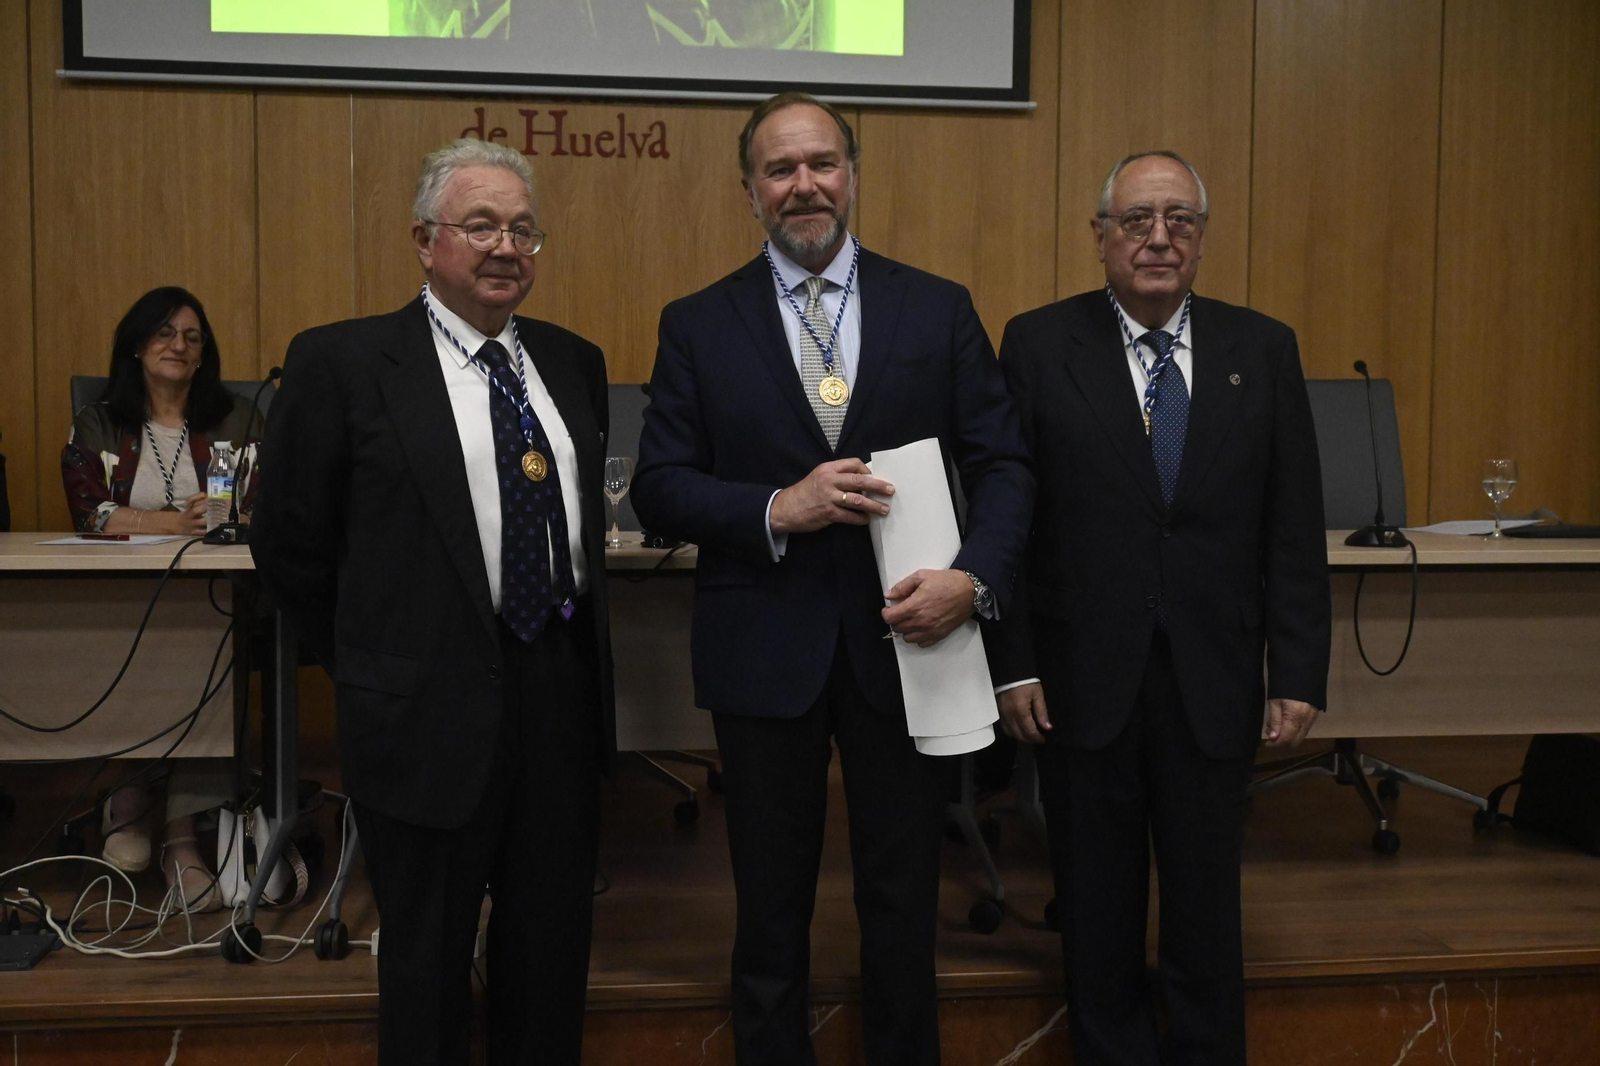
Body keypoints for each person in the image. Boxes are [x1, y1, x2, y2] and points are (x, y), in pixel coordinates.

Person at [632, 92, 1033, 1065]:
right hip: (764, 644)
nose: (802, 184)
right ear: (748, 192)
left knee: (903, 894)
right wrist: (779, 507)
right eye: (779, 169)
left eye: (820, 163)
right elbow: (659, 488)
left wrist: (972, 580)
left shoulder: (935, 309)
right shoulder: (697, 323)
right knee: (769, 900)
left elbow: (1005, 467)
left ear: (851, 174)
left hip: (913, 640)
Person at [250, 138, 613, 1066]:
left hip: (558, 702)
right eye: (481, 225)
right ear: (424, 238)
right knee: (425, 969)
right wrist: (372, 658)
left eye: (524, 230)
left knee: (550, 958)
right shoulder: (342, 363)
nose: (506, 247)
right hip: (422, 713)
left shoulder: (574, 363)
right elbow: (290, 539)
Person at [989, 151, 1332, 1065]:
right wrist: (1012, 659)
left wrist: (1297, 669)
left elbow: (1293, 526)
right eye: (1137, 220)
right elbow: (1007, 519)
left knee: (1206, 909)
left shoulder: (1263, 349)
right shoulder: (1036, 343)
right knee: (1096, 913)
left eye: (1180, 220)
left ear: (1203, 240)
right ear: (1099, 237)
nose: (1158, 238)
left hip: (1213, 681)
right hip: (1078, 681)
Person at [61, 286, 261, 912]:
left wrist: (231, 515)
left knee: (207, 648)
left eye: (192, 336)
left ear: (205, 355)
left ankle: (171, 828)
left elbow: (264, 505)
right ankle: (135, 796)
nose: (178, 345)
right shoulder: (100, 420)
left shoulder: (238, 418)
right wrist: (178, 523)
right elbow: (90, 512)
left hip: (217, 594)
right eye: (164, 333)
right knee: (151, 646)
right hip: (121, 598)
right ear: (136, 346)